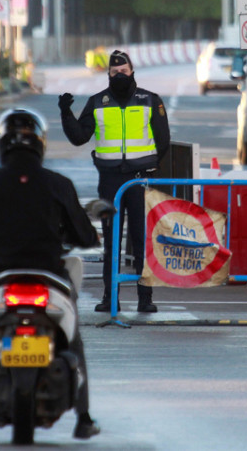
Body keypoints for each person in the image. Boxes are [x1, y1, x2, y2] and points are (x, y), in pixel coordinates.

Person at [0, 109, 101, 440]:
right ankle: (83, 417)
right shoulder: (59, 184)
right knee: (73, 336)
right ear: (40, 144)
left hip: (1, 275)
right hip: (50, 275)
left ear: (2, 145)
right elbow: (86, 237)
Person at [58, 50, 170, 313]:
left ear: (132, 72)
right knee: (111, 239)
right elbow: (79, 138)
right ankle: (110, 297)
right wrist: (66, 113)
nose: (120, 75)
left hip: (139, 179)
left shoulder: (150, 100)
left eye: (124, 71)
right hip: (109, 180)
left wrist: (150, 166)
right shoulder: (97, 102)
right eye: (114, 72)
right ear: (108, 74)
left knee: (141, 238)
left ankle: (146, 297)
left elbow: (163, 139)